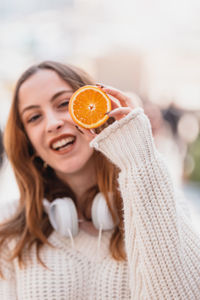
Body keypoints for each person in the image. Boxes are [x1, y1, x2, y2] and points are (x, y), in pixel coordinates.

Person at [0, 61, 199, 300]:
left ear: (95, 107)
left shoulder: (161, 199)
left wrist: (138, 161)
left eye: (63, 103)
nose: (52, 124)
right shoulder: (9, 233)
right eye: (34, 117)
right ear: (27, 141)